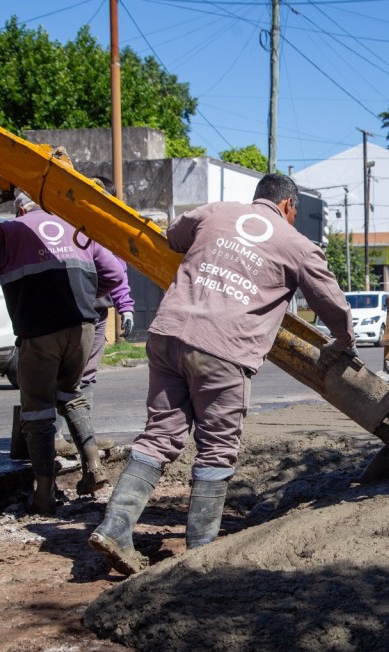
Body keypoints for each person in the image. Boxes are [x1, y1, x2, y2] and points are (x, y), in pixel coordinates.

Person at [89, 173, 355, 575]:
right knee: (216, 448)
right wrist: (344, 340)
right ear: (288, 206)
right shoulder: (298, 246)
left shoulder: (215, 212)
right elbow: (332, 303)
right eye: (294, 213)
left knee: (160, 435)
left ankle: (115, 527)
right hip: (223, 350)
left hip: (168, 334)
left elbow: (173, 238)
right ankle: (201, 554)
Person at [0, 191, 128, 514]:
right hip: (82, 328)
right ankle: (93, 468)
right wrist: (86, 296)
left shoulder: (9, 232)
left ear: (21, 207)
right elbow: (115, 274)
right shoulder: (76, 227)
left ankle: (44, 494)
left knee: (37, 411)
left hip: (39, 333)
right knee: (70, 394)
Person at [54, 177, 135, 455]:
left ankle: (82, 437)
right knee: (64, 373)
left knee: (86, 375)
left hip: (96, 312)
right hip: (69, 310)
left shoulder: (108, 232)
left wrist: (125, 306)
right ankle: (55, 437)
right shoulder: (65, 225)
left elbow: (118, 272)